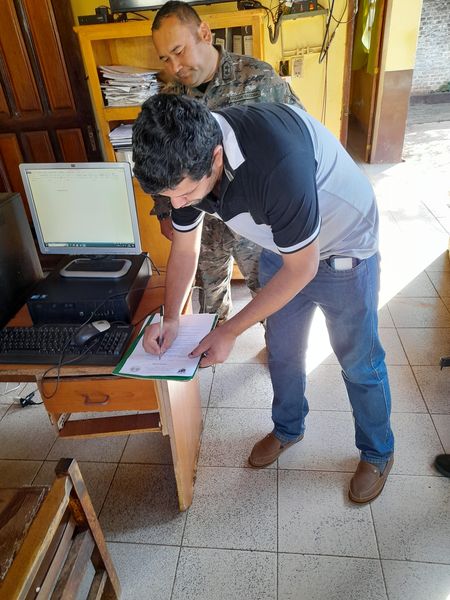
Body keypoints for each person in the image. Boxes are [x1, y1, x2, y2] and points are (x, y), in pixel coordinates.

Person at [132, 94, 395, 504]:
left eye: (185, 194)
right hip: (283, 245)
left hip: (344, 250)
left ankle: (377, 452)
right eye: (171, 197)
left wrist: (230, 330)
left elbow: (302, 268)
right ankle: (288, 428)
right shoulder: (184, 160)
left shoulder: (276, 162)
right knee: (283, 352)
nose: (178, 205)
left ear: (216, 157)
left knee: (359, 360)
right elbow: (185, 247)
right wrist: (171, 318)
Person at [150, 1, 301, 322]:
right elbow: (162, 159)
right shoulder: (170, 99)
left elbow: (299, 137)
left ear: (204, 33)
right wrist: (165, 210)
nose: (175, 66)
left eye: (179, 51)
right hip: (202, 220)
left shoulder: (258, 78)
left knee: (268, 291)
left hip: (255, 218)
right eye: (165, 58)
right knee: (210, 295)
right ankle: (213, 340)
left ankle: (276, 343)